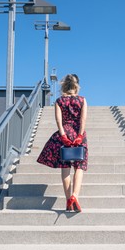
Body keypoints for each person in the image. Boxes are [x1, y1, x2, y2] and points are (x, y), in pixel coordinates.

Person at [37, 74, 88, 212]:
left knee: (65, 168)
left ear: (64, 86)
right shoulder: (82, 100)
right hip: (78, 134)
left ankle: (68, 201)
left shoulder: (59, 101)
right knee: (79, 166)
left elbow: (59, 121)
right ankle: (75, 196)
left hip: (64, 134)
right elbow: (82, 120)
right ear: (77, 86)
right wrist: (79, 135)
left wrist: (63, 135)